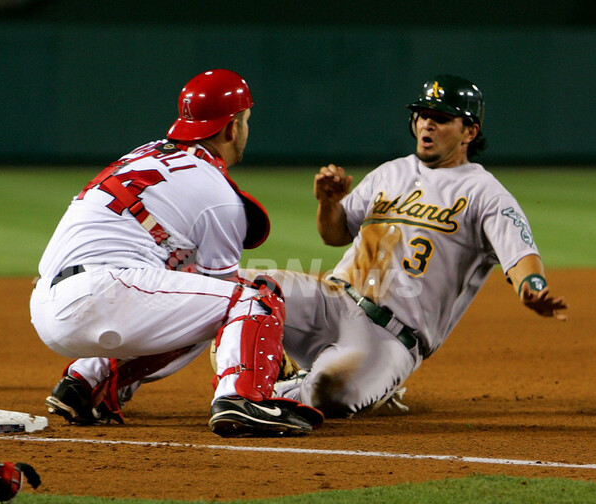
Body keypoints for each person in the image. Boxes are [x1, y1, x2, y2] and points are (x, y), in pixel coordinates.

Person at [29, 69, 323, 437]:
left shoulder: (144, 153)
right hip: (103, 294)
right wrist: (266, 356)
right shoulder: (218, 194)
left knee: (192, 294)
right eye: (245, 121)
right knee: (254, 300)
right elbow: (228, 298)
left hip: (45, 304)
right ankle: (243, 399)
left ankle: (85, 381)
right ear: (232, 128)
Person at [266, 74, 568, 417]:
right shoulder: (390, 173)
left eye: (441, 118)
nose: (428, 124)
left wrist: (533, 286)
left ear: (469, 132)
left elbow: (520, 254)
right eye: (423, 115)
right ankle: (263, 389)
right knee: (247, 291)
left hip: (388, 337)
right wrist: (328, 203)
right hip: (331, 301)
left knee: (329, 394)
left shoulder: (486, 193)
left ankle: (306, 385)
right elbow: (334, 235)